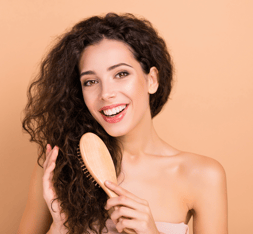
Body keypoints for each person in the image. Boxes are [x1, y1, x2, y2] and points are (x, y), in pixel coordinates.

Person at [18, 13, 228, 234]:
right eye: (90, 81)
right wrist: (59, 226)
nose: (106, 93)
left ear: (152, 79)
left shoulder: (203, 175)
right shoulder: (57, 166)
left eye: (121, 74)